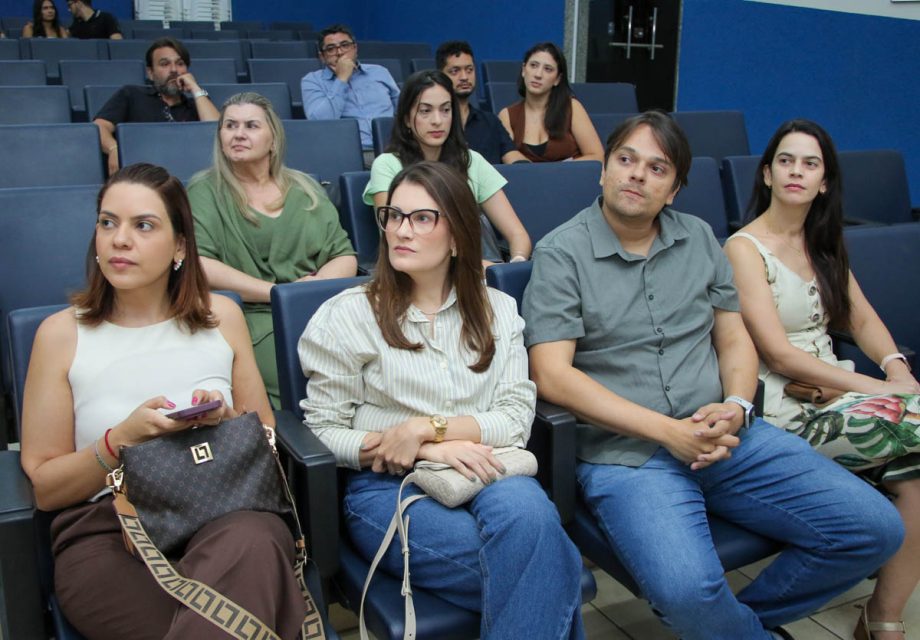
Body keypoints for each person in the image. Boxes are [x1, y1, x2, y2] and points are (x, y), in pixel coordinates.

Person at [522, 111, 904, 640]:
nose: (637, 175)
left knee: (875, 529)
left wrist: (738, 405)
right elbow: (553, 376)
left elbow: (733, 338)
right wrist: (668, 432)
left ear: (675, 189)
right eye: (626, 160)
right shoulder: (561, 252)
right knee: (685, 592)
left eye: (657, 168)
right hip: (629, 456)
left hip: (726, 434)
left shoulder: (699, 238)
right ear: (602, 170)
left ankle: (725, 627)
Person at [19, 163, 308, 639]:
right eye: (108, 222)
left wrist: (225, 419)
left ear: (179, 246)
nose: (119, 240)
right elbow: (47, 487)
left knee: (254, 540)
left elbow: (266, 436)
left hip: (227, 509)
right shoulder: (60, 335)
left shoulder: (223, 317)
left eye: (143, 225)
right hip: (111, 529)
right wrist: (124, 438)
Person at [300, 160, 585, 639]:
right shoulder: (349, 315)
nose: (400, 230)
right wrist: (428, 447)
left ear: (457, 237)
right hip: (389, 487)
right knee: (553, 568)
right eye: (394, 215)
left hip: (487, 468)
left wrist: (424, 427)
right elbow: (324, 430)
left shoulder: (498, 310)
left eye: (422, 218)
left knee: (533, 526)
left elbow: (516, 419)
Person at [724, 119, 920, 640]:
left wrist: (898, 366)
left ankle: (883, 619)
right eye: (785, 161)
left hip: (841, 400)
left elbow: (862, 320)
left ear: (825, 181)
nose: (796, 171)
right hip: (788, 416)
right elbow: (779, 355)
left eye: (810, 164)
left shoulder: (823, 242)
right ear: (766, 174)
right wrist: (881, 389)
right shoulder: (744, 248)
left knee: (917, 477)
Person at [188, 92, 357, 409]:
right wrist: (279, 293)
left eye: (251, 125)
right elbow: (200, 265)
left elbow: (344, 255)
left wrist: (310, 292)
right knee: (298, 373)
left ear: (273, 140)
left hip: (320, 309)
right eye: (230, 125)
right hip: (248, 316)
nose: (238, 134)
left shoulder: (305, 189)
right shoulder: (204, 191)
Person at [364, 70, 531, 265]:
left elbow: (517, 233)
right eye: (425, 111)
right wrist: (479, 268)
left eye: (445, 110)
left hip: (476, 271)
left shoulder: (471, 161)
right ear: (407, 119)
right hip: (418, 272)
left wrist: (516, 261)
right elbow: (393, 238)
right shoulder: (387, 165)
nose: (437, 120)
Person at [94, 37, 219, 177]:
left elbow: (218, 133)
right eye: (164, 64)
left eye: (180, 64)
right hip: (141, 179)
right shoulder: (132, 94)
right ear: (150, 73)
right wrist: (113, 148)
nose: (174, 70)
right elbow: (99, 127)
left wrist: (195, 88)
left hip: (187, 179)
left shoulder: (198, 103)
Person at [301, 23, 400, 165]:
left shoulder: (380, 72)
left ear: (355, 48)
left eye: (345, 45)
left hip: (393, 151)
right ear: (322, 57)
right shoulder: (312, 81)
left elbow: (404, 109)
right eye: (331, 49)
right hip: (353, 156)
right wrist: (341, 79)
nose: (340, 52)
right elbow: (320, 124)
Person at [498, 42, 603, 163]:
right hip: (527, 181)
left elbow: (597, 157)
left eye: (548, 69)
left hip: (570, 180)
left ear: (557, 79)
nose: (538, 74)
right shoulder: (507, 115)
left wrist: (554, 172)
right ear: (523, 70)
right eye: (533, 65)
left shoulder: (572, 107)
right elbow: (509, 160)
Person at [435, 40, 528, 165]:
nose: (464, 77)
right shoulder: (434, 123)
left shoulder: (490, 122)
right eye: (455, 71)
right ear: (440, 75)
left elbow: (511, 155)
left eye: (469, 70)